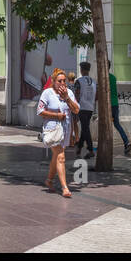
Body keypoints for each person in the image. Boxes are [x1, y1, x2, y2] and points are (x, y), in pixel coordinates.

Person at [38, 69, 79, 198]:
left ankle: (49, 180)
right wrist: (56, 115)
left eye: (64, 81)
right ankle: (65, 188)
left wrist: (67, 98)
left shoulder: (69, 93)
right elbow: (40, 111)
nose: (62, 83)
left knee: (56, 157)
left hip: (65, 130)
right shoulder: (47, 93)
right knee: (61, 156)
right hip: (52, 130)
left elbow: (76, 110)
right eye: (59, 81)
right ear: (54, 82)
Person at [74, 61, 96, 158]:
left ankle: (90, 149)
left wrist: (74, 105)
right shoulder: (94, 81)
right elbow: (97, 95)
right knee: (85, 127)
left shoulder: (79, 81)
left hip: (82, 107)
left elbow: (77, 94)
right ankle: (79, 148)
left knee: (85, 128)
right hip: (90, 107)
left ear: (81, 70)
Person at [107, 68, 130, 156]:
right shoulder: (113, 77)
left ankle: (106, 145)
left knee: (106, 125)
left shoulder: (104, 78)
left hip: (108, 104)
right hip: (115, 104)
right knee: (117, 124)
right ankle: (126, 142)